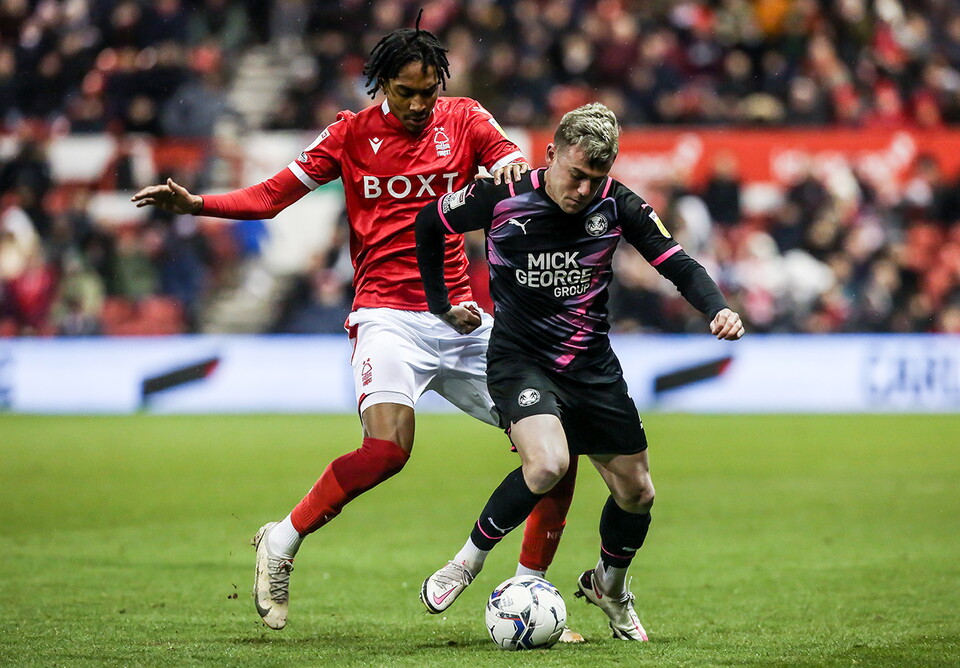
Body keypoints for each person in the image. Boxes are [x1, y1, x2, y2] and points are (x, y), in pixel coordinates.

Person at [131, 18, 581, 636]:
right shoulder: (349, 135)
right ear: (381, 85)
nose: (418, 105)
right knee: (389, 449)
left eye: (428, 92)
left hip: (462, 319)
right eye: (405, 92)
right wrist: (199, 204)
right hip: (387, 316)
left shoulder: (467, 119)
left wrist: (504, 166)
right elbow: (272, 195)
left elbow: (507, 153)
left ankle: (530, 581)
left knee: (558, 447)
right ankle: (281, 541)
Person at [415, 103, 744, 641]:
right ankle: (466, 562)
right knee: (546, 465)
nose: (585, 189)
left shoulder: (618, 204)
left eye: (596, 177)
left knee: (638, 493)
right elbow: (429, 222)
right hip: (520, 359)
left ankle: (608, 588)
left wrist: (716, 308)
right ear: (551, 156)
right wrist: (439, 303)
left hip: (591, 366)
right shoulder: (501, 194)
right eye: (576, 175)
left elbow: (676, 261)